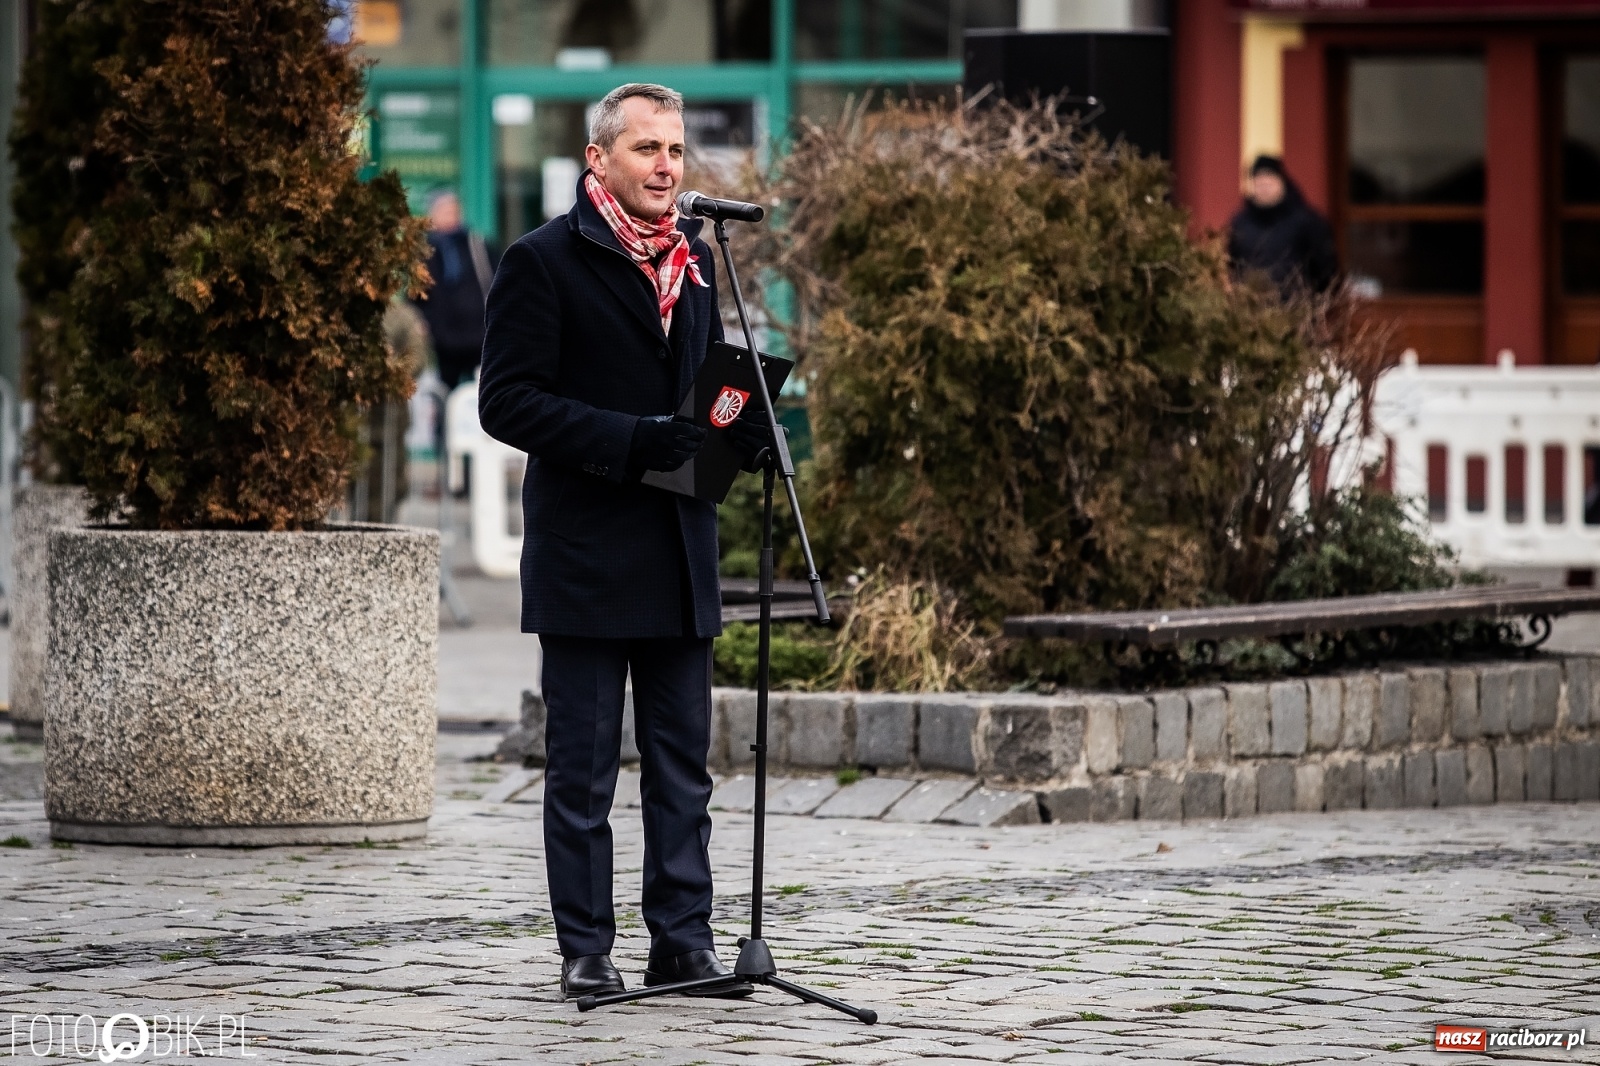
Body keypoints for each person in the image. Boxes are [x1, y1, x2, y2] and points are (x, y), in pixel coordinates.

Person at [477, 83, 766, 1002]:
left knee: (684, 770)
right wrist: (628, 437)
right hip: (588, 559)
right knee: (585, 775)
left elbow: (697, 401)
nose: (668, 167)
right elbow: (505, 401)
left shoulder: (695, 264)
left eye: (676, 150)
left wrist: (740, 434)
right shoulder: (542, 261)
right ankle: (586, 948)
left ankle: (682, 941)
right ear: (599, 159)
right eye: (648, 149)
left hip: (680, 551)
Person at [413, 189, 497, 390]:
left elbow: (496, 280)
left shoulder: (477, 245)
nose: (450, 215)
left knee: (484, 390)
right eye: (444, 210)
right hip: (443, 339)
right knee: (443, 392)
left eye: (453, 210)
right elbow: (415, 294)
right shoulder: (424, 251)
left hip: (479, 335)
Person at [1228, 155, 1338, 297]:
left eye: (1269, 181)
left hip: (1297, 308)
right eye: (1260, 182)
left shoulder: (1307, 222)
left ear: (1281, 183)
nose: (1264, 188)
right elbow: (1231, 266)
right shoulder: (1240, 224)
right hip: (1250, 309)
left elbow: (1326, 268)